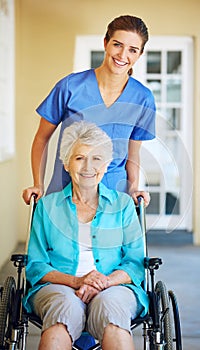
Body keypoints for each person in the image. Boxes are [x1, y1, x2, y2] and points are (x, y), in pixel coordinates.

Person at [23, 121, 149, 350]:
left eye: (97, 158)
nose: (88, 166)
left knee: (112, 311)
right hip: (57, 287)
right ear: (67, 163)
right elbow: (36, 265)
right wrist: (76, 281)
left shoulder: (122, 206)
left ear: (107, 164)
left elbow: (135, 263)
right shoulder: (47, 207)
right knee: (63, 309)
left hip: (114, 287)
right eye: (79, 157)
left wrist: (104, 283)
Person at [22, 14, 156, 207]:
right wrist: (38, 184)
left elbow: (132, 154)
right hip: (66, 193)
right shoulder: (70, 87)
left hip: (114, 197)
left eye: (132, 50)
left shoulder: (143, 98)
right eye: (117, 44)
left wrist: (133, 187)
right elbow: (41, 138)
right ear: (106, 43)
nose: (122, 55)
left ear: (139, 55)